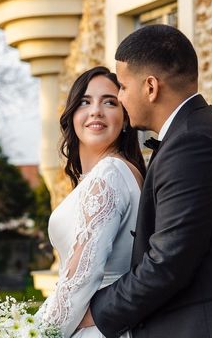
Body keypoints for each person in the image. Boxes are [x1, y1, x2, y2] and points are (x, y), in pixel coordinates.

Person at [81, 25, 212, 337]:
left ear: (150, 87)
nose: (120, 97)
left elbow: (168, 262)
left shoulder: (192, 144)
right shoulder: (198, 130)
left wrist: (94, 311)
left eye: (122, 86)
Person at [37, 66, 146, 338]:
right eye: (85, 102)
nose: (96, 110)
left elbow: (81, 278)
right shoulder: (115, 172)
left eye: (109, 102)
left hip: (95, 327)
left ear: (124, 119)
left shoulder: (109, 173)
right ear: (72, 114)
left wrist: (35, 334)